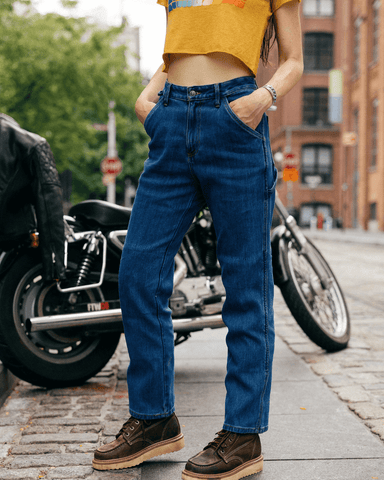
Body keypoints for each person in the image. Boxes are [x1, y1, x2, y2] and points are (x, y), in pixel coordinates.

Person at [93, 0, 303, 478]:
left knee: (246, 287)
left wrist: (260, 99)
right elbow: (177, 52)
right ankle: (154, 419)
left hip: (234, 118)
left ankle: (243, 435)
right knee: (138, 273)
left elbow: (294, 61)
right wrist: (146, 101)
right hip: (170, 121)